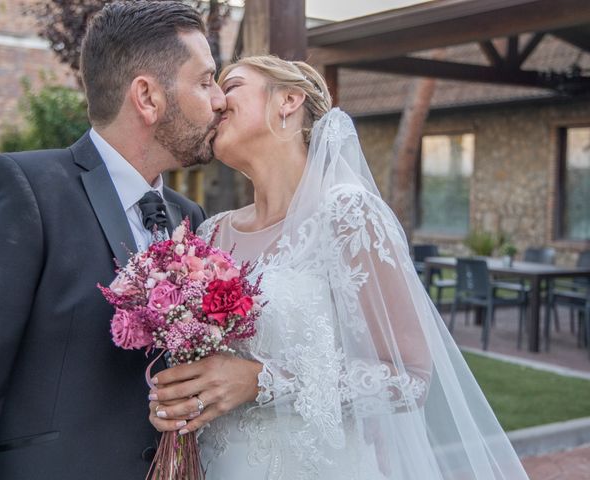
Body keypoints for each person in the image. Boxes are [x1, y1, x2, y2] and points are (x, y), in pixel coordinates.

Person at [148, 56, 530, 479]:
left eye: (232, 85)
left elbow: (409, 377)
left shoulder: (348, 214)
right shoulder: (212, 232)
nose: (217, 101)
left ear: (288, 101)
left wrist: (264, 382)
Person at [0, 2, 226, 479]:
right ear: (147, 97)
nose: (220, 99)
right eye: (204, 81)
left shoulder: (190, 217)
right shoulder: (21, 189)